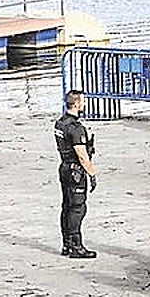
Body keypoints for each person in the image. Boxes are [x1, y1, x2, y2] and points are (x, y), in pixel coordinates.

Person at [54, 89, 98, 258]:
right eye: (83, 101)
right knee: (77, 208)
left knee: (67, 206)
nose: (84, 104)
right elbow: (81, 154)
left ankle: (66, 244)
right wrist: (92, 173)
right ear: (77, 103)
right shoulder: (75, 128)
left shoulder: (60, 123)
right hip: (75, 171)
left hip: (64, 167)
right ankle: (76, 246)